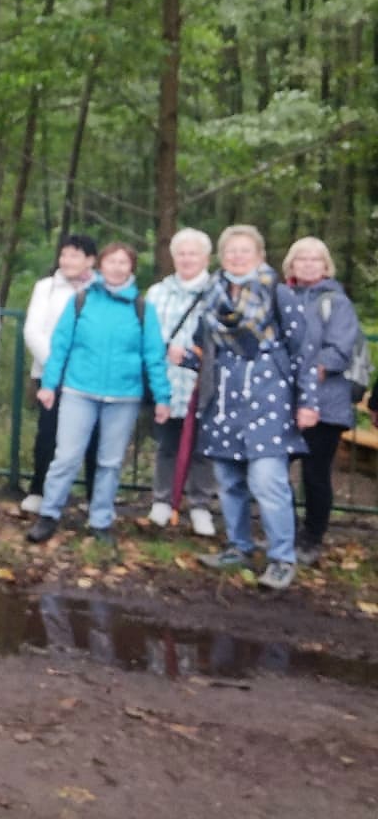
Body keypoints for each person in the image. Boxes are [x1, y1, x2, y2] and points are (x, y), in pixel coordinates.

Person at [179, 225, 319, 592]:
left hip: (269, 401)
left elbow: (303, 350)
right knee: (229, 482)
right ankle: (239, 547)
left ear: (259, 256)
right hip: (224, 402)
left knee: (267, 482)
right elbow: (205, 352)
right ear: (221, 256)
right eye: (231, 251)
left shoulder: (278, 293)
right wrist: (185, 359)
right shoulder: (212, 295)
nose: (237, 257)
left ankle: (281, 558)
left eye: (245, 251)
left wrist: (308, 401)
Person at [26, 242, 172, 544]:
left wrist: (162, 398)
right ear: (100, 266)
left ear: (131, 268)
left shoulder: (143, 309)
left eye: (123, 262)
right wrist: (49, 385)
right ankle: (49, 514)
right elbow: (61, 346)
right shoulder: (81, 301)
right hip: (79, 391)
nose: (116, 268)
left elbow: (154, 356)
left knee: (109, 462)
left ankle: (101, 520)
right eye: (111, 261)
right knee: (66, 457)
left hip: (124, 397)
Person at [282, 236, 363, 567]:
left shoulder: (337, 302)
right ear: (291, 264)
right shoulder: (282, 297)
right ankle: (286, 531)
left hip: (325, 403)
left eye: (314, 259)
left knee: (315, 475)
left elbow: (339, 352)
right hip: (283, 401)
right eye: (301, 258)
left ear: (326, 265)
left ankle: (312, 538)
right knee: (273, 470)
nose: (307, 264)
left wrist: (303, 374)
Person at [144, 227, 218, 535]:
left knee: (203, 449)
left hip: (204, 384)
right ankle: (162, 500)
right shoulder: (157, 293)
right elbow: (145, 334)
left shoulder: (218, 293)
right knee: (167, 445)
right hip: (167, 383)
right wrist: (165, 349)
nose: (187, 259)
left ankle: (200, 505)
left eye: (193, 254)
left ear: (206, 258)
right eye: (182, 254)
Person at [20, 234, 100, 515]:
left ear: (90, 260)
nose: (66, 261)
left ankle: (95, 496)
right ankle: (39, 489)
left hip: (91, 376)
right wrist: (56, 366)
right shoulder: (46, 288)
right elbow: (33, 330)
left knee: (94, 436)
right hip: (50, 373)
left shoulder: (101, 289)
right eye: (64, 254)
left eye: (74, 255)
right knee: (48, 432)